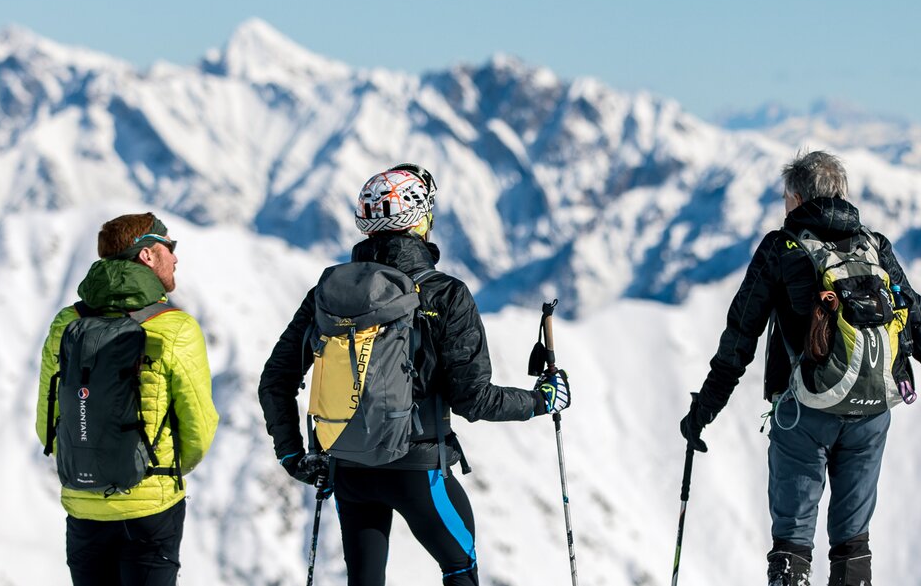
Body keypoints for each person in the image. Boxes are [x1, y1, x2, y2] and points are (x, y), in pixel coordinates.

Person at [679, 150, 921, 586]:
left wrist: (704, 411)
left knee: (792, 543)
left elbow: (739, 338)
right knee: (852, 544)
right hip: (871, 413)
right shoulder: (875, 246)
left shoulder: (781, 248)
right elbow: (914, 317)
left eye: (787, 195)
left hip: (804, 413)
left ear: (799, 197)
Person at [258, 164, 569, 586]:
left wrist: (292, 455)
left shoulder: (328, 295)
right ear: (419, 219)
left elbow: (276, 378)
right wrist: (541, 400)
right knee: (459, 567)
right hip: (419, 466)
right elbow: (473, 399)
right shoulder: (446, 294)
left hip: (347, 464)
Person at [37, 213, 220, 585]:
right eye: (170, 247)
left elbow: (47, 421)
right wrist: (159, 471)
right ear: (147, 256)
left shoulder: (66, 323)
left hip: (83, 503)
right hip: (151, 507)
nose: (176, 257)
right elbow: (198, 429)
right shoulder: (175, 326)